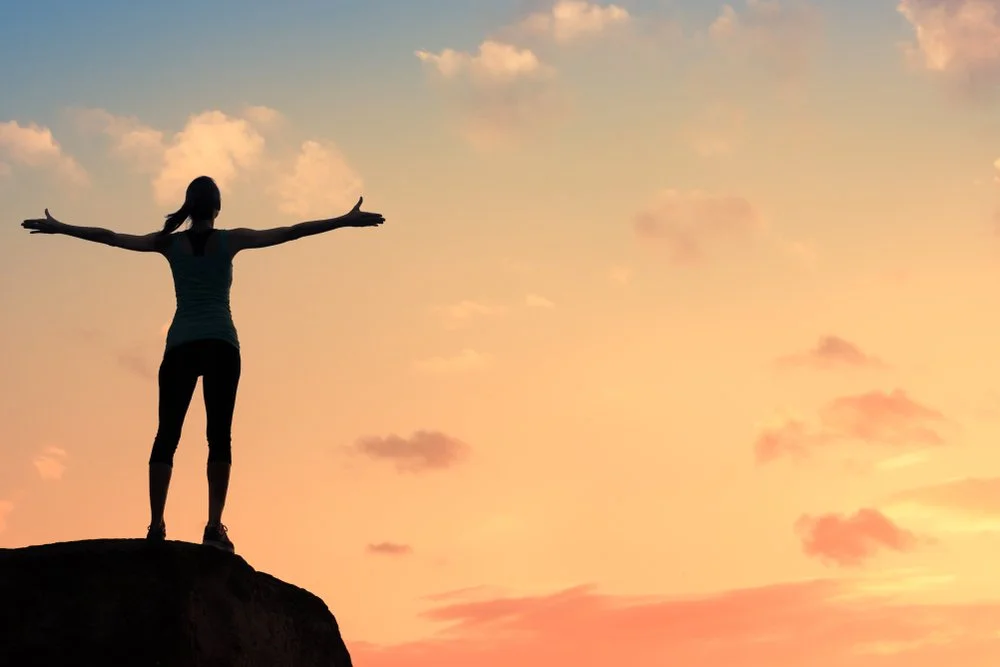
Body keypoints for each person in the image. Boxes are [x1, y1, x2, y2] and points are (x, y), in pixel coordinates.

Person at [21, 175, 385, 553]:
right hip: (221, 345)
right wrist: (342, 220)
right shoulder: (231, 240)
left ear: (189, 208)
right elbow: (291, 231)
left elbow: (112, 237)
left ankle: (157, 525)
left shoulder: (170, 244)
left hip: (181, 346)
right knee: (219, 436)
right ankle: (213, 527)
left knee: (166, 436)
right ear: (217, 208)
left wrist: (62, 228)